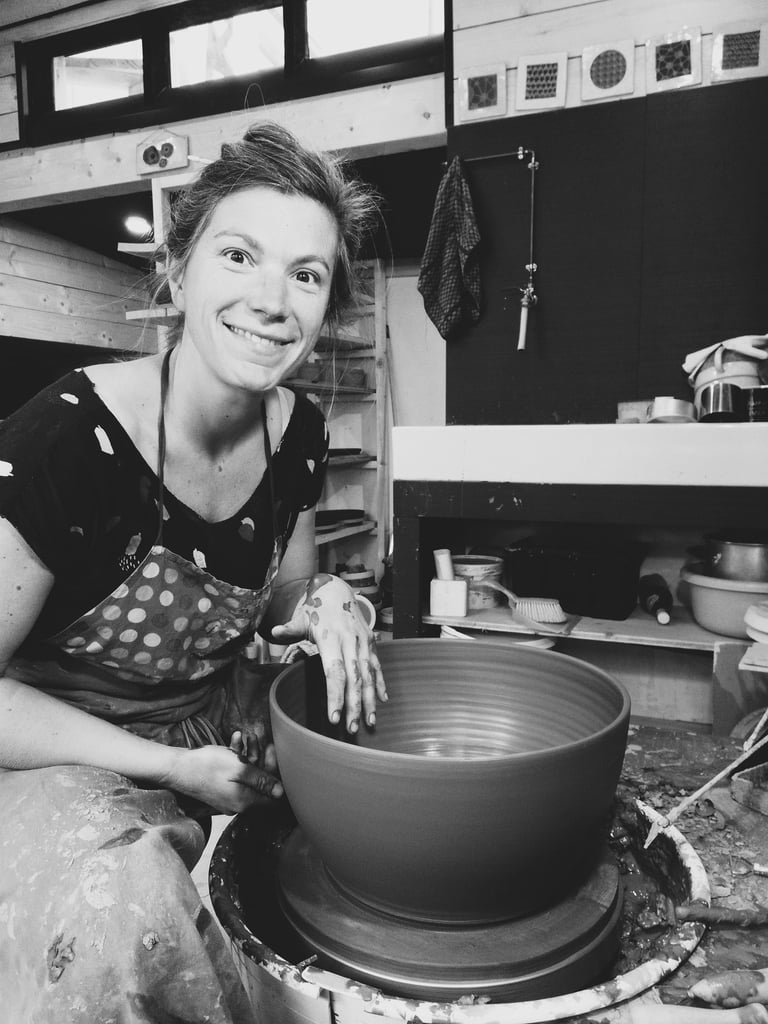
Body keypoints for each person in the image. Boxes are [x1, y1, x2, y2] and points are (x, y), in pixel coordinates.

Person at [0, 121, 386, 1022]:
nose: (272, 299)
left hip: (209, 719)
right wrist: (169, 768)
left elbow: (281, 592)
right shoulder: (65, 440)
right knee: (128, 921)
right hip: (62, 751)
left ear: (327, 308)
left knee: (370, 708)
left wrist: (328, 601)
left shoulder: (299, 432)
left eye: (306, 274)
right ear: (178, 271)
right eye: (240, 255)